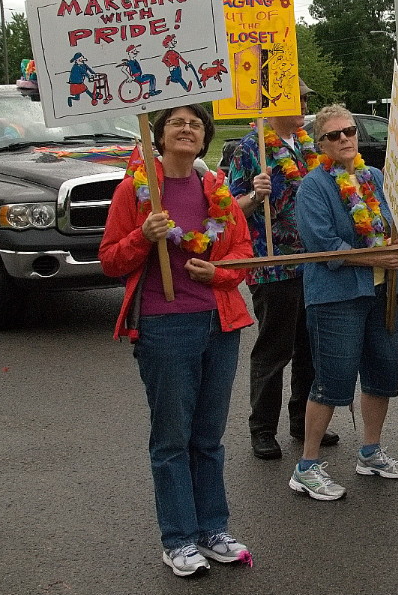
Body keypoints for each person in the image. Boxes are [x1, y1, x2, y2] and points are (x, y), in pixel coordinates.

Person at [100, 104, 255, 576]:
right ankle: (178, 538)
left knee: (208, 438)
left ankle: (212, 529)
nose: (187, 130)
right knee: (172, 438)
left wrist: (220, 272)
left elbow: (244, 251)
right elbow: (109, 260)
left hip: (219, 323)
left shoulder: (216, 190)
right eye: (176, 124)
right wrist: (143, 237)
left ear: (204, 137)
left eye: (195, 124)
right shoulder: (136, 190)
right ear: (160, 137)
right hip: (165, 327)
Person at [289, 104, 398, 501]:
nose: (344, 139)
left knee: (383, 372)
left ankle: (371, 453)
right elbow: (323, 246)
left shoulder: (374, 176)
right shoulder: (312, 186)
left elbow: (395, 224)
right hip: (336, 296)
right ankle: (306, 468)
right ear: (320, 142)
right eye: (334, 135)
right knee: (332, 382)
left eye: (350, 131)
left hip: (382, 291)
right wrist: (378, 256)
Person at [227, 79, 340, 461]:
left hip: (312, 262)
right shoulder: (250, 148)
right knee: (275, 349)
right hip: (273, 263)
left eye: (308, 96)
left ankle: (302, 422)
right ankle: (262, 428)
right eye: (300, 97)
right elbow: (228, 211)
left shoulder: (307, 146)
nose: (307, 102)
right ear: (276, 103)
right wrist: (254, 196)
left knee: (311, 347)